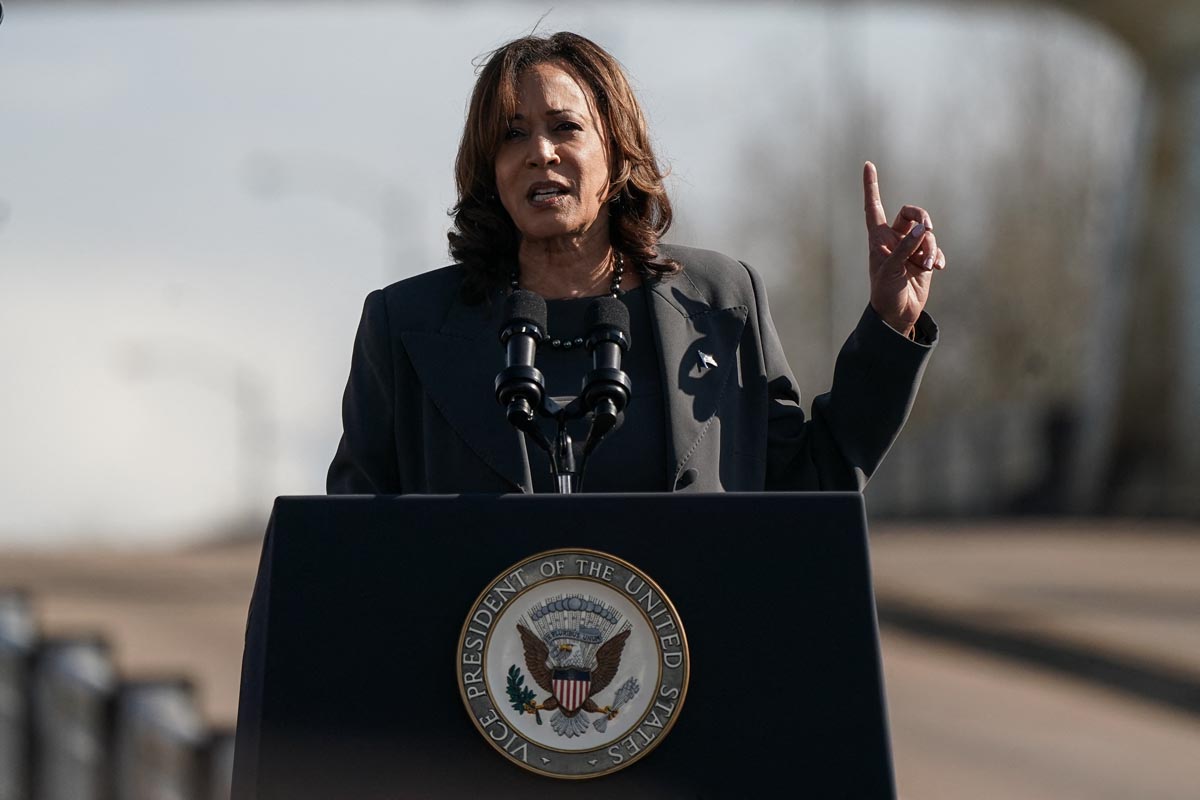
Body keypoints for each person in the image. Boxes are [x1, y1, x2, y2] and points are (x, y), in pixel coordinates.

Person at [327, 31, 943, 496]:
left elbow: (810, 485)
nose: (540, 152)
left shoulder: (721, 301)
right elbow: (353, 542)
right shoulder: (404, 325)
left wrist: (891, 323)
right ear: (489, 166)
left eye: (565, 127)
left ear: (618, 151)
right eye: (512, 135)